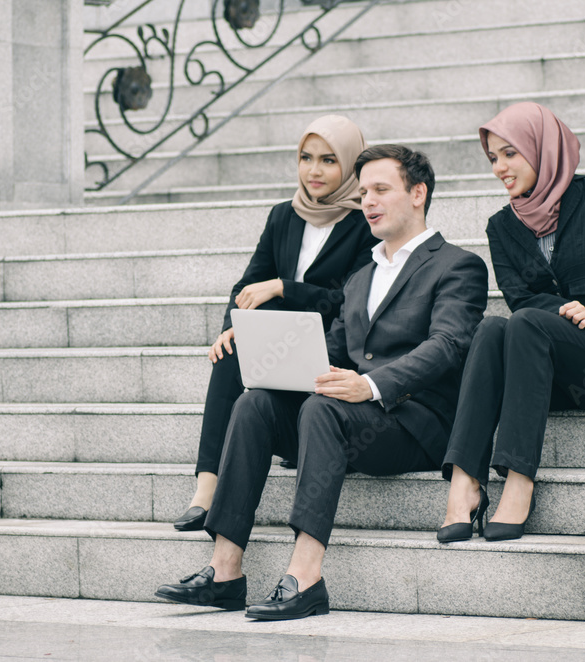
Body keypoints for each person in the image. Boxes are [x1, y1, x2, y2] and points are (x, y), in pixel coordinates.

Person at [155, 145, 489, 619]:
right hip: (347, 418)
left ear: (418, 194)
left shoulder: (458, 264)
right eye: (363, 192)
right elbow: (331, 351)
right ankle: (226, 571)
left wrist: (370, 386)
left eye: (381, 190)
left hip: (413, 423)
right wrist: (262, 356)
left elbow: (448, 345)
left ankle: (305, 577)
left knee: (321, 408)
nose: (368, 201)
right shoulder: (361, 277)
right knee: (256, 404)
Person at [436, 102, 585, 544]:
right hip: (543, 371)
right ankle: (464, 482)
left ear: (542, 148)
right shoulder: (501, 226)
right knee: (491, 327)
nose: (500, 168)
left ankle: (520, 479)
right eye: (492, 158)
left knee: (523, 323)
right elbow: (523, 298)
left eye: (510, 153)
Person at [173, 115, 379, 532]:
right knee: (231, 348)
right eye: (305, 158)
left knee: (259, 334)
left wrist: (285, 288)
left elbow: (350, 302)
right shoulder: (284, 215)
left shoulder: (365, 222)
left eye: (328, 160)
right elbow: (246, 284)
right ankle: (206, 487)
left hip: (331, 347)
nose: (314, 171)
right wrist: (232, 325)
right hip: (279, 341)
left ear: (351, 166)